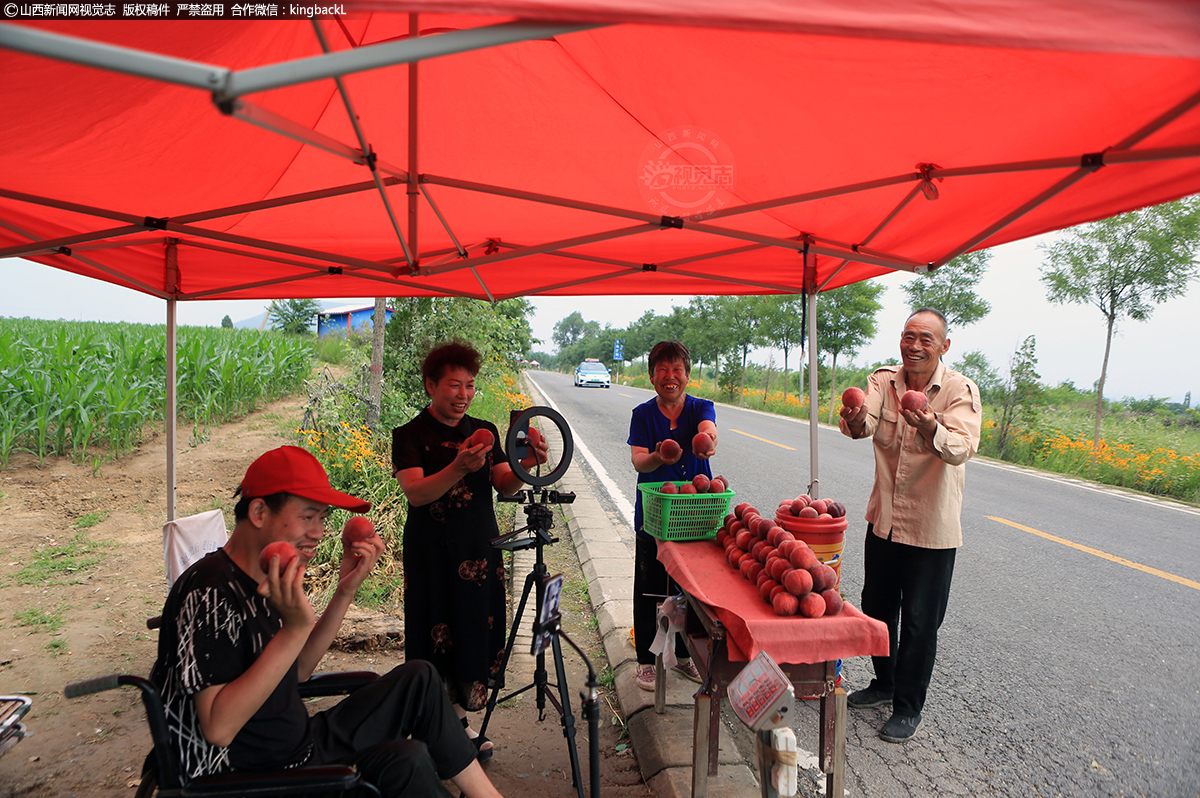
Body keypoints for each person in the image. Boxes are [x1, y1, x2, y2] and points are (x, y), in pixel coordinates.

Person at [150, 445, 503, 798]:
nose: (319, 532)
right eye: (308, 517)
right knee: (407, 762)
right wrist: (295, 628)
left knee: (420, 682)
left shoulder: (267, 572)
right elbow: (218, 727)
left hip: (297, 745)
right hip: (249, 777)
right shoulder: (208, 591)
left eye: (323, 518)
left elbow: (299, 670)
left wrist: (345, 591)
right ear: (258, 511)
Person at [392, 341, 548, 762]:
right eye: (453, 385)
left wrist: (527, 465)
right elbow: (417, 492)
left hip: (479, 550)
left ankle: (457, 724)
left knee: (472, 630)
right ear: (431, 386)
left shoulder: (484, 430)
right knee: (432, 629)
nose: (463, 394)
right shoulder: (409, 436)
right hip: (431, 553)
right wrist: (458, 467)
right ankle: (429, 727)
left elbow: (502, 483)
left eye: (470, 385)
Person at [838, 307, 981, 743]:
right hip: (885, 519)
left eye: (926, 339)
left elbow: (961, 447)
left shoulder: (959, 390)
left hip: (931, 528)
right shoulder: (884, 381)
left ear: (944, 346)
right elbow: (861, 426)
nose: (915, 346)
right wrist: (856, 414)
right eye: (908, 336)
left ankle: (908, 707)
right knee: (877, 606)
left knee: (921, 621)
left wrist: (931, 425)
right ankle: (884, 684)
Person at [627, 340, 715, 691]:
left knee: (688, 588)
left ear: (687, 375)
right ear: (651, 376)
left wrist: (706, 442)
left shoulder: (700, 408)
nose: (670, 376)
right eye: (662, 369)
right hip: (654, 514)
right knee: (649, 586)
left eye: (677, 369)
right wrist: (659, 458)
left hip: (693, 515)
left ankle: (680, 655)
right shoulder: (643, 414)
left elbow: (709, 432)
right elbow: (638, 460)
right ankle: (646, 660)